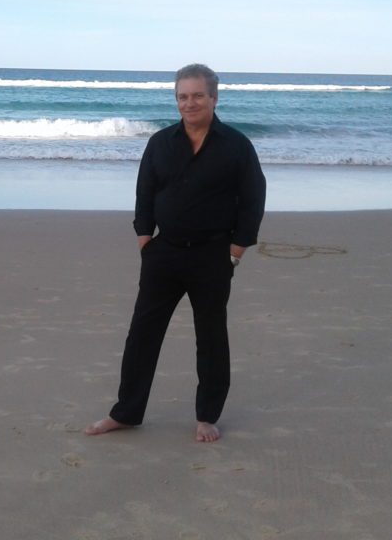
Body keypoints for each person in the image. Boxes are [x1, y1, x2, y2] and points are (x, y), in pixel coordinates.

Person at [85, 63, 266, 442]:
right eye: (183, 96)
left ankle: (207, 416)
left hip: (213, 256)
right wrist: (143, 239)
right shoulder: (161, 142)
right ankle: (126, 412)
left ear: (214, 98)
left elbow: (253, 198)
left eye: (198, 95)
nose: (190, 103)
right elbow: (144, 191)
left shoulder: (236, 146)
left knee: (212, 337)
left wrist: (236, 250)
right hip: (163, 253)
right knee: (142, 335)